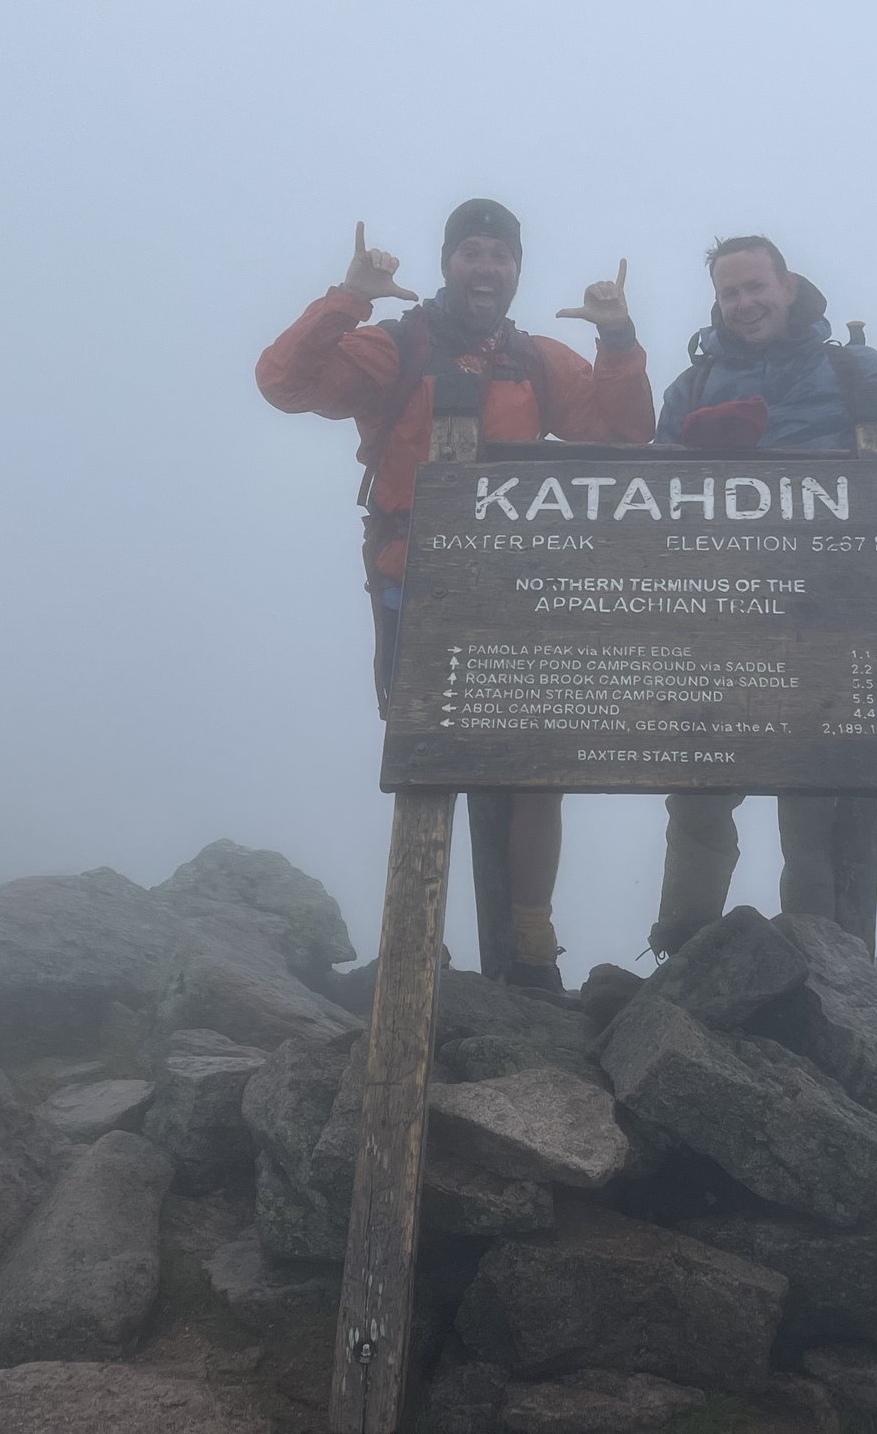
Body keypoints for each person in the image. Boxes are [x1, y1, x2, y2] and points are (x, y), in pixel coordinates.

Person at [257, 198, 652, 991]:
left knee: (536, 763)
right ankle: (416, 940)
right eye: (472, 252)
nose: (487, 267)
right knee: (429, 763)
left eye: (500, 255)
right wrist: (350, 294)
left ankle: (530, 948)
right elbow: (286, 382)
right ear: (448, 265)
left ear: (516, 271)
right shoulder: (396, 347)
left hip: (518, 587)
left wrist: (615, 338)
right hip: (418, 581)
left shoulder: (535, 358)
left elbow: (623, 429)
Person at [648, 233, 877, 956]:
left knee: (815, 796)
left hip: (829, 622)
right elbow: (653, 496)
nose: (744, 303)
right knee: (700, 786)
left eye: (755, 287)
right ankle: (684, 958)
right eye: (730, 293)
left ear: (788, 285)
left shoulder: (852, 368)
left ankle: (823, 964)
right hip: (717, 618)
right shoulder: (693, 387)